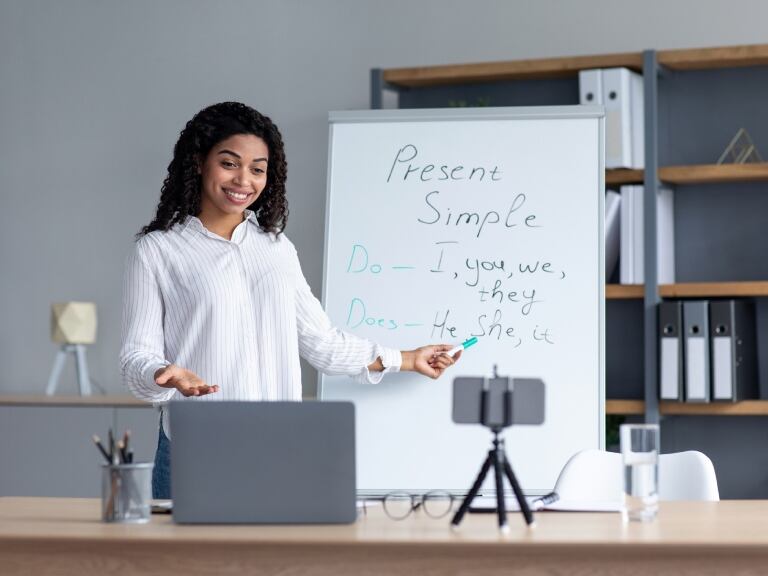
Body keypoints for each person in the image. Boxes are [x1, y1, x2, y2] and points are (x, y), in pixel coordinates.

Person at [120, 102, 461, 498]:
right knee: (188, 564)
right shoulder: (158, 250)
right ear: (199, 162)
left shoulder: (276, 248)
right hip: (198, 448)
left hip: (279, 447)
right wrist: (163, 374)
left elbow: (321, 342)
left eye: (257, 169)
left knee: (279, 563)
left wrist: (406, 358)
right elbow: (135, 360)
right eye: (229, 163)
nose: (243, 180)